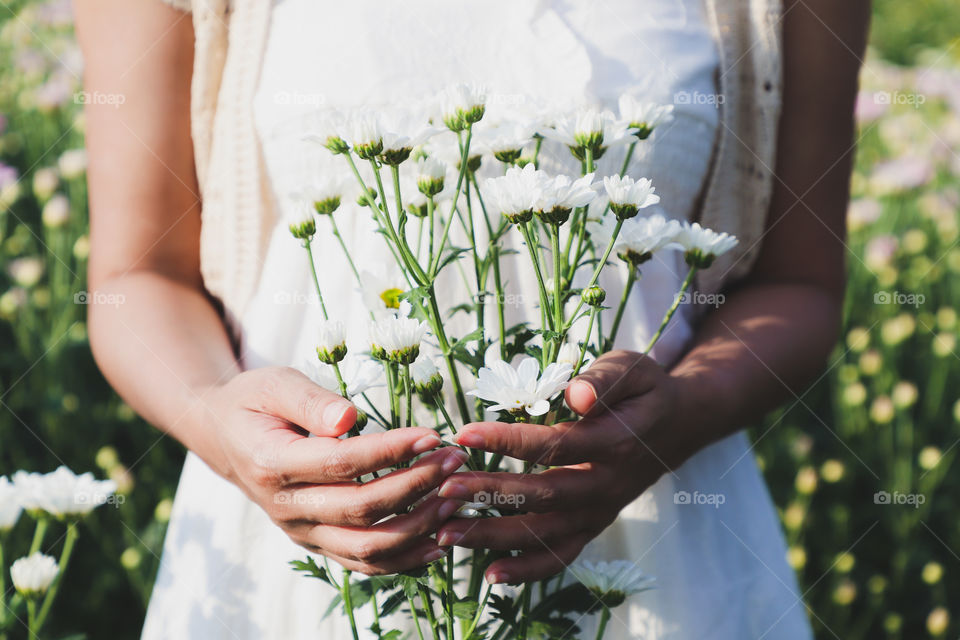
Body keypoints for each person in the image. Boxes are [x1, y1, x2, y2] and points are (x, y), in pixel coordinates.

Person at [75, 0, 868, 637]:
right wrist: (220, 423)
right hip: (296, 559)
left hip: (657, 554)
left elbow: (801, 283)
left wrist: (683, 411)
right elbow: (134, 275)